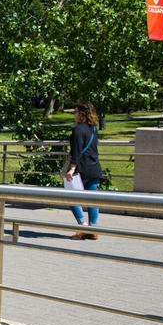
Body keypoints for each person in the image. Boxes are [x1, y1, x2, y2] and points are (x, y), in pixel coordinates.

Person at [64, 101, 103, 240]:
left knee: (71, 197)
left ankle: (83, 226)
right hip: (94, 167)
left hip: (81, 169)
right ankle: (93, 229)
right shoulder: (93, 129)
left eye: (75, 112)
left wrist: (71, 168)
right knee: (92, 199)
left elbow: (76, 151)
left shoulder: (78, 130)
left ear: (81, 114)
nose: (74, 115)